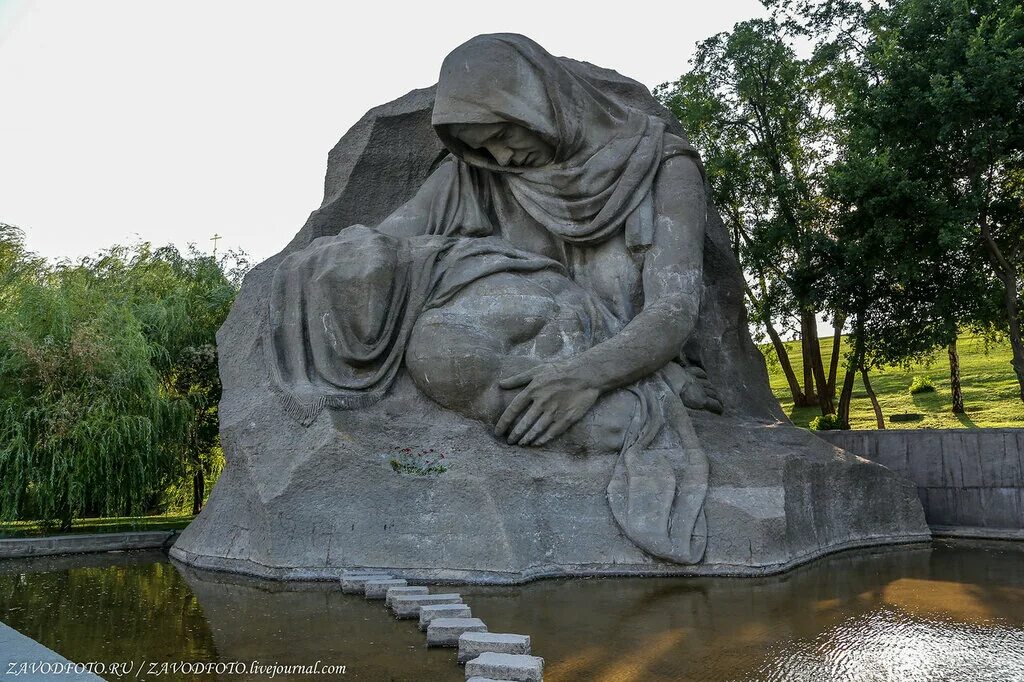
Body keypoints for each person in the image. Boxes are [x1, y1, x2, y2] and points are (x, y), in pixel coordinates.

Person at [264, 34, 715, 563]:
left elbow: (674, 309)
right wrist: (328, 268)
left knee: (448, 347)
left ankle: (624, 406)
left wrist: (586, 376)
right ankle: (566, 417)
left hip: (608, 353)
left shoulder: (663, 166)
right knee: (442, 349)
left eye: (502, 133)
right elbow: (389, 242)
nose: (500, 154)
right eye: (483, 146)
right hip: (520, 344)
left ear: (537, 100)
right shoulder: (476, 176)